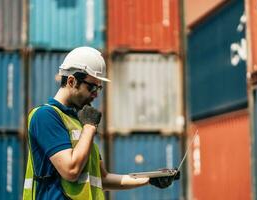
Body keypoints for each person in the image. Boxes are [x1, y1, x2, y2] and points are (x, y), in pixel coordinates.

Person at [22, 46, 180, 200]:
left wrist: (149, 179)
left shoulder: (79, 122)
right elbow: (71, 170)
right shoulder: (45, 116)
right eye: (91, 87)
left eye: (99, 88)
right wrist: (90, 128)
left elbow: (102, 178)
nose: (96, 94)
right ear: (71, 81)